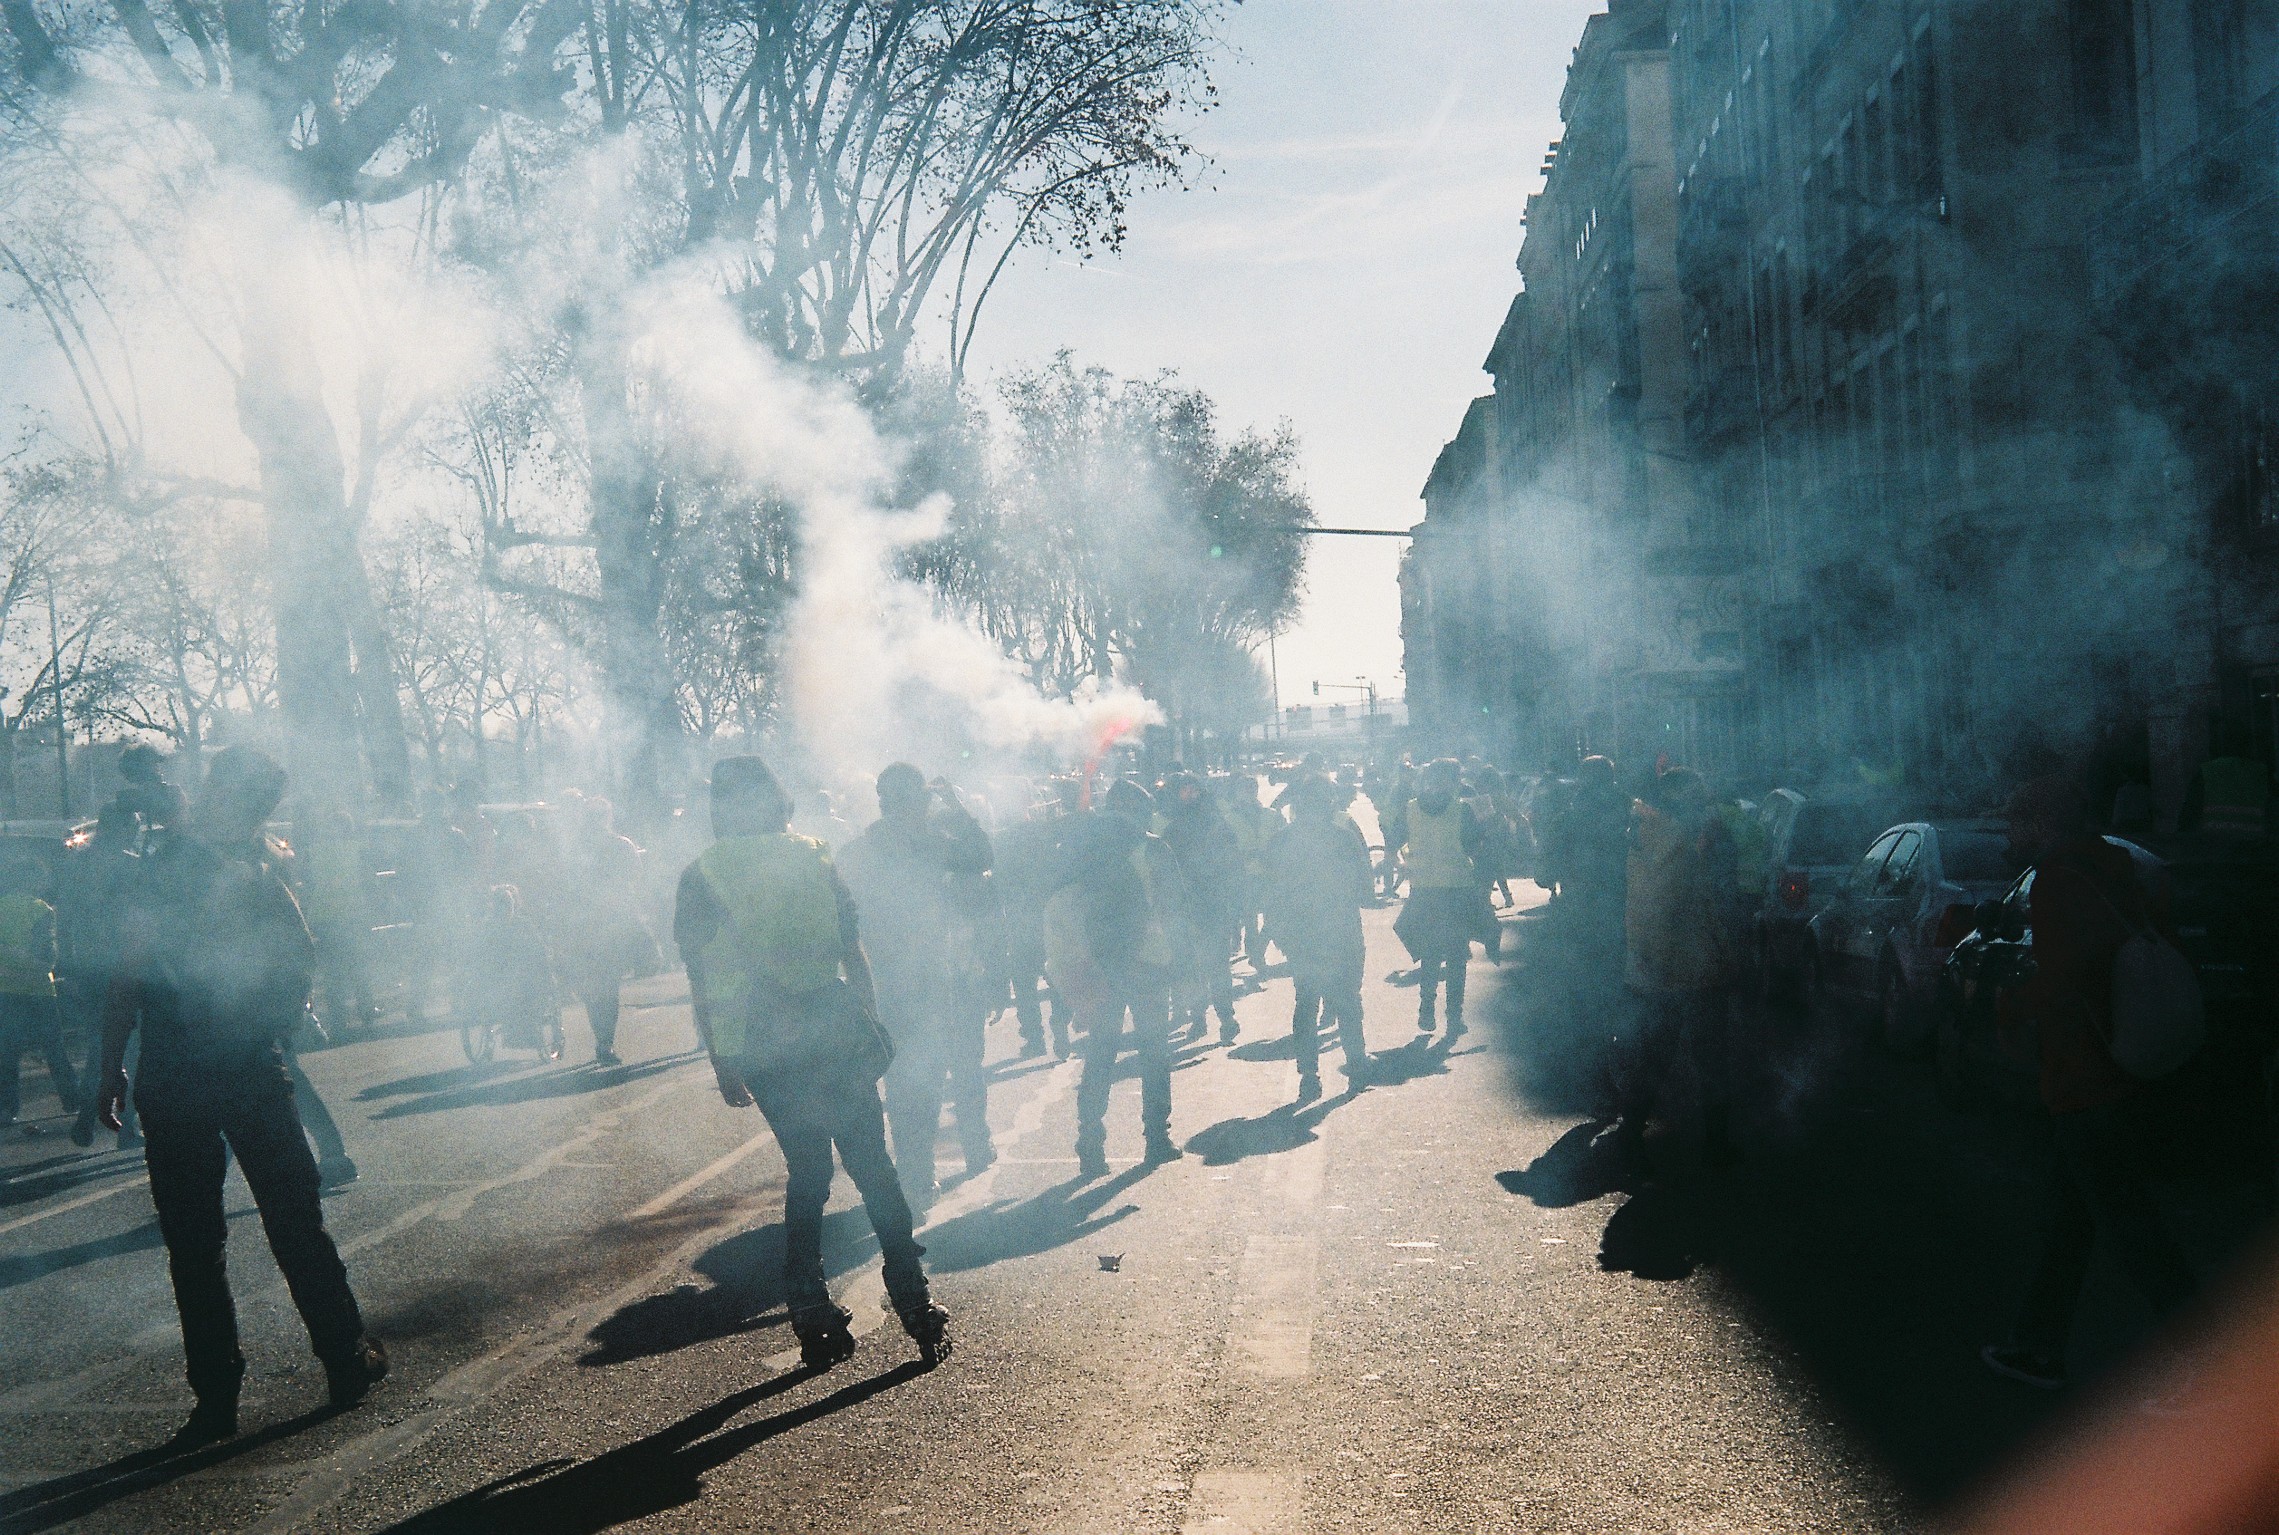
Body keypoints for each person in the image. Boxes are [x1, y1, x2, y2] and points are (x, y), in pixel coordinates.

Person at [92, 747, 387, 1446]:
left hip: (172, 1073)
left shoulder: (157, 871)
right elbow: (301, 959)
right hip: (249, 1069)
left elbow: (124, 976)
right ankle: (345, 1357)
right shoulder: (259, 871)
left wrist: (110, 1069)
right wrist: (275, 1021)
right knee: (295, 1221)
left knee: (195, 1246)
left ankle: (215, 1397)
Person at [674, 755, 949, 1370]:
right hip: (832, 1029)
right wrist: (869, 1020)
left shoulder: (700, 877)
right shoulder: (815, 857)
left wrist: (722, 1059)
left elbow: (700, 975)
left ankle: (808, 1304)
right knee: (874, 1165)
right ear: (778, 801)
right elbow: (854, 952)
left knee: (807, 1172)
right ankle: (913, 1295)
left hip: (763, 1041)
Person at [1981, 776, 2198, 1390]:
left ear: (2044, 820)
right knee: (2072, 1224)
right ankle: (2038, 1347)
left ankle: (2207, 1371)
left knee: (2132, 1233)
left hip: (2085, 1077)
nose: (2009, 831)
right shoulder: (2114, 864)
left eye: (2017, 818)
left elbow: (2064, 977)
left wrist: (2010, 1004)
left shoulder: (2056, 878)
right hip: (2112, 1067)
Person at [836, 763, 996, 1209]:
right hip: (929, 978)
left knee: (906, 1082)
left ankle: (913, 1178)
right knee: (931, 1076)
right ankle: (918, 1179)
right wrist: (958, 808)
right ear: (920, 801)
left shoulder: (857, 851)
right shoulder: (930, 844)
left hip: (880, 980)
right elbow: (981, 857)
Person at [1046, 779, 1188, 1180]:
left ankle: (1090, 1144)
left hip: (1098, 965)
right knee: (1154, 1053)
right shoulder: (1153, 847)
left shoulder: (1079, 847)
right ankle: (1157, 1139)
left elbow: (1058, 905)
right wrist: (1183, 963)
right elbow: (1176, 905)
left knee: (1100, 1053)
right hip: (1147, 962)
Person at [1609, 767, 1741, 1169]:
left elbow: (1631, 899)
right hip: (1701, 964)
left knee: (1651, 1056)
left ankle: (1630, 1134)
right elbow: (1718, 900)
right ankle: (1717, 1145)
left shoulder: (1641, 837)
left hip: (1651, 965)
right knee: (1712, 1059)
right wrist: (1732, 952)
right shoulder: (1702, 839)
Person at [1262, 775, 1373, 1099]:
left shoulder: (1281, 839)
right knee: (1348, 1000)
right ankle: (1357, 1063)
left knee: (1306, 1003)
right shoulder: (1343, 836)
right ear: (1329, 804)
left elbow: (1269, 889)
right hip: (1342, 930)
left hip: (1302, 935)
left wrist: (1277, 930)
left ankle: (1309, 1074)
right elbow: (1365, 884)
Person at [1391, 759, 1490, 1037]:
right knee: (1457, 958)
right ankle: (1454, 1017)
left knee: (1430, 954)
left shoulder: (1410, 808)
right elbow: (1475, 848)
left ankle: (1426, 1010)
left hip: (1424, 893)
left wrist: (1402, 865)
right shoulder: (1463, 810)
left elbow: (1392, 844)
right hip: (1456, 892)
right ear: (1453, 781)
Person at [65, 803, 142, 1148]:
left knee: (101, 1047)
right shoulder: (131, 867)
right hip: (123, 968)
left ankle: (90, 1117)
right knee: (132, 1050)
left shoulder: (78, 867)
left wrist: (70, 965)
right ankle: (123, 1126)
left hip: (89, 969)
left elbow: (66, 919)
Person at [1156, 770, 1241, 1045]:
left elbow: (1231, 861)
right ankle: (1200, 1017)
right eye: (1183, 790)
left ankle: (1225, 1017)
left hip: (1210, 904)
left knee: (1215, 964)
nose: (1188, 795)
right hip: (1185, 907)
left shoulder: (1213, 823)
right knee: (1191, 965)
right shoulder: (1172, 829)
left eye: (1192, 789)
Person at [0, 852, 78, 1131]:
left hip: (6, 990)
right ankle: (72, 1099)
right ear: (33, 881)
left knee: (7, 1053)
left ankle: (6, 1108)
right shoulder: (42, 910)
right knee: (54, 1048)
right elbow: (49, 956)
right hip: (39, 991)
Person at [993, 786, 1072, 1059]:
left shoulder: (1001, 840)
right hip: (1048, 915)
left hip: (1018, 918)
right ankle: (1060, 1020)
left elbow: (998, 883)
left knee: (1025, 983)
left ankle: (1034, 1037)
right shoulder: (1044, 833)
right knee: (1056, 975)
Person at [299, 810, 381, 1036]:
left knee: (333, 972)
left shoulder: (312, 853)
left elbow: (306, 884)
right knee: (359, 966)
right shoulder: (359, 850)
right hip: (354, 916)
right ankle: (366, 1009)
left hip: (324, 918)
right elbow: (370, 881)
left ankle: (338, 1018)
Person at [2179, 723, 2269, 839]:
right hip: (2254, 848)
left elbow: (2188, 818)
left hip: (2214, 847)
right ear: (2249, 745)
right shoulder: (2261, 773)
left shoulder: (2207, 771)